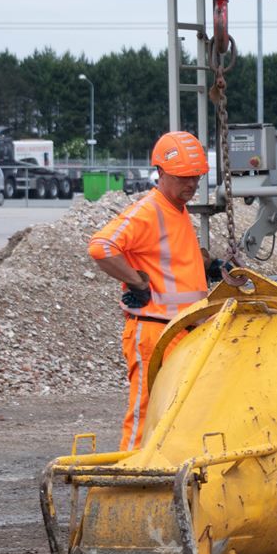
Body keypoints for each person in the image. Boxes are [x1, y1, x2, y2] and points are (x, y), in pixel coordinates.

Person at [88, 130, 217, 450]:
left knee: (179, 414)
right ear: (160, 172)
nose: (191, 185)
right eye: (183, 178)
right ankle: (129, 480)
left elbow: (172, 259)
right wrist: (135, 281)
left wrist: (209, 266)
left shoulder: (177, 209)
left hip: (178, 332)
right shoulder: (149, 210)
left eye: (196, 178)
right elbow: (101, 247)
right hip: (153, 333)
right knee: (145, 413)